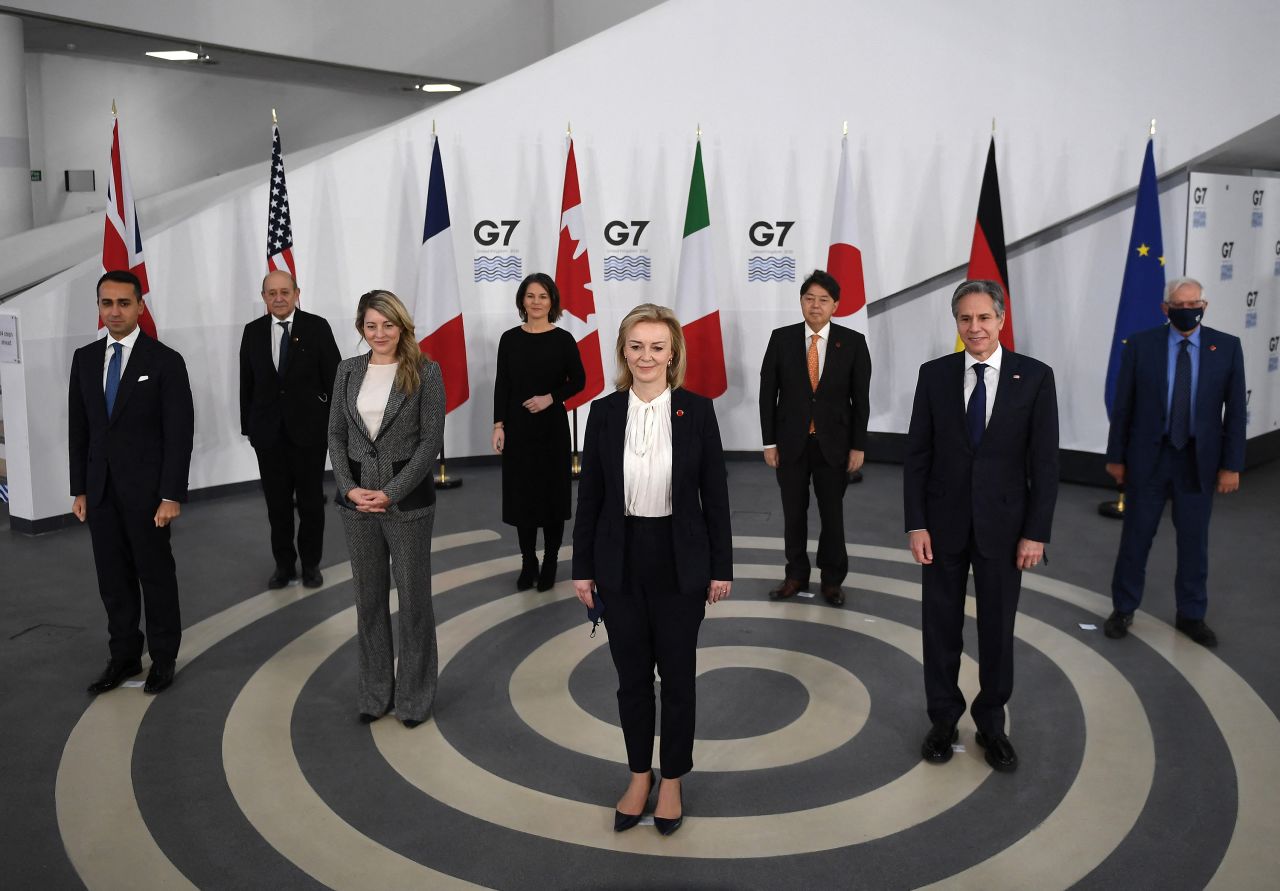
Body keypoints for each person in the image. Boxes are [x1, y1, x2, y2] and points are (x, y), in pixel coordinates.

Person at [573, 304, 732, 838]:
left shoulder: (698, 411)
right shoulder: (602, 413)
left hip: (679, 561)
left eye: (657, 347)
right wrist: (582, 568)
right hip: (619, 561)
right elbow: (590, 496)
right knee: (632, 680)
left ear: (673, 354)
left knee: (679, 679)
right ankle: (639, 775)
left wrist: (721, 567)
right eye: (636, 346)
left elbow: (717, 496)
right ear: (623, 351)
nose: (646, 356)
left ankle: (673, 781)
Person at [904, 279, 1058, 773]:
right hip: (942, 527)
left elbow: (1045, 464)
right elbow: (917, 457)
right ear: (957, 324)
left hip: (1005, 529)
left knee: (997, 630)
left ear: (1001, 319)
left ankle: (991, 723)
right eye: (965, 319)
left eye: (984, 318)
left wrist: (1035, 532)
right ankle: (944, 720)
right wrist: (916, 524)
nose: (975, 328)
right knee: (940, 629)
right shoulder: (934, 375)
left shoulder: (1034, 378)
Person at [68, 270, 195, 695]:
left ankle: (163, 658)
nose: (115, 311)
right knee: (113, 580)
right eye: (108, 303)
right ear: (99, 307)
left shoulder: (165, 361)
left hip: (148, 497)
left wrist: (171, 494)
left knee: (155, 576)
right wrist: (80, 488)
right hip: (100, 492)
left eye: (124, 303)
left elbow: (179, 435)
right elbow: (80, 429)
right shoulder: (84, 359)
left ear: (140, 306)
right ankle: (123, 656)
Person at [1103, 277, 1246, 648]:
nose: (1188, 311)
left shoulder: (1227, 348)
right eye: (1179, 306)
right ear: (1166, 309)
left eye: (1194, 304)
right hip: (1149, 459)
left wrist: (1232, 465)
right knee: (1135, 538)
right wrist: (1116, 457)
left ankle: (1191, 615)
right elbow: (1124, 407)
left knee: (1194, 543)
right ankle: (1123, 608)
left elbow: (1235, 414)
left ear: (1205, 305)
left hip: (1198, 461)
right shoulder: (1141, 345)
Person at [328, 290, 445, 727]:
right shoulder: (346, 371)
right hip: (356, 505)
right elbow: (337, 436)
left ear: (402, 326)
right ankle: (375, 694)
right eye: (371, 326)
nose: (380, 334)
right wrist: (349, 487)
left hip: (407, 504)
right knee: (368, 601)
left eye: (388, 325)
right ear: (362, 328)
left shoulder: (425, 372)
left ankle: (414, 698)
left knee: (414, 602)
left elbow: (430, 442)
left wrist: (391, 492)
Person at [759, 268, 871, 606]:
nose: (816, 305)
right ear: (801, 302)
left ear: (835, 305)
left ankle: (832, 580)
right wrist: (769, 442)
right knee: (793, 514)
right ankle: (795, 575)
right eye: (809, 299)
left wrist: (858, 445)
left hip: (834, 446)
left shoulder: (852, 342)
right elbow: (768, 394)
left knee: (832, 516)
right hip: (790, 444)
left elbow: (860, 400)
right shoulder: (781, 339)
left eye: (823, 300)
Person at [239, 270, 341, 589]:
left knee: (311, 504)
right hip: (268, 436)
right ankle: (284, 565)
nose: (279, 298)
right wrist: (250, 428)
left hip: (309, 434)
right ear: (264, 297)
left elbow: (335, 378)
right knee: (277, 505)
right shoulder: (252, 332)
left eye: (285, 291)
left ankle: (311, 564)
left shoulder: (317, 327)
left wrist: (333, 425)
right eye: (272, 293)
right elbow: (247, 383)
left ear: (297, 293)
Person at [492, 272, 586, 591]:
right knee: (523, 499)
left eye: (543, 296)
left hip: (552, 431)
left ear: (552, 302)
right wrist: (498, 425)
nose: (536, 302)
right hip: (517, 431)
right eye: (531, 296)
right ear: (522, 300)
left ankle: (550, 562)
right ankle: (528, 561)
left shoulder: (562, 339)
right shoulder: (509, 338)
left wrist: (550, 398)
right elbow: (502, 384)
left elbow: (580, 381)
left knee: (552, 498)